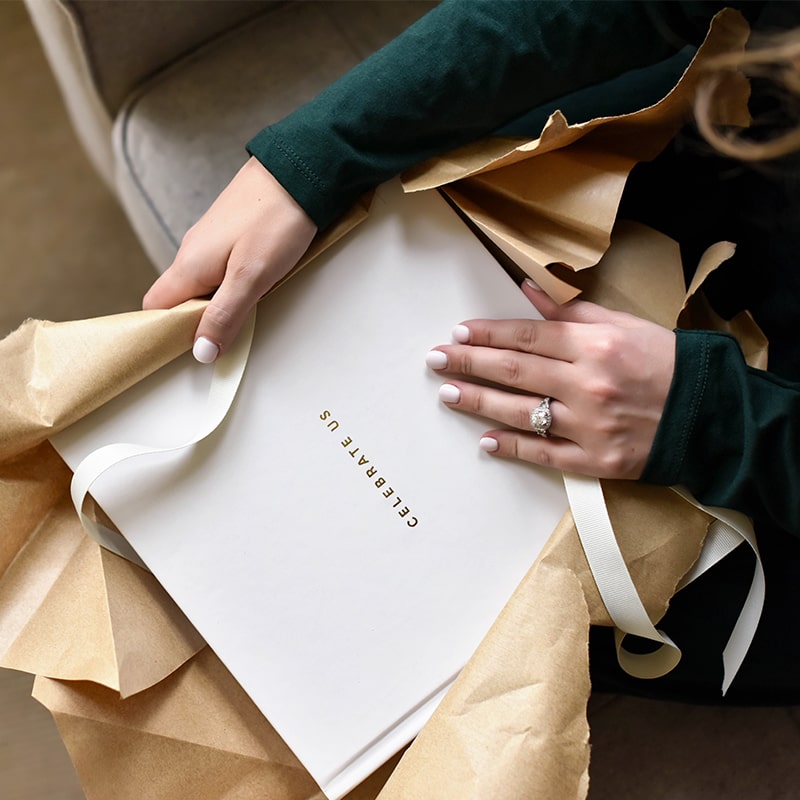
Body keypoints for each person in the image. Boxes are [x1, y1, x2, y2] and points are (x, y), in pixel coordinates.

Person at [142, 0, 800, 704]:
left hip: (773, 474)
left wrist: (718, 419)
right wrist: (316, 153)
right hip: (729, 135)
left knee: (413, 626)